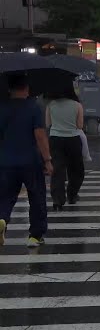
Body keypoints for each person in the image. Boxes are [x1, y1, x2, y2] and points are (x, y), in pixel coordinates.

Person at [0, 74, 53, 247]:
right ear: (27, 88)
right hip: (30, 161)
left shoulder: (2, 107)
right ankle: (35, 236)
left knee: (5, 197)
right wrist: (47, 160)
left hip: (6, 161)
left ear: (9, 89)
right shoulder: (33, 107)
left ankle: (2, 220)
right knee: (36, 197)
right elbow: (40, 135)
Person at [45, 86, 85, 210]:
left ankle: (57, 200)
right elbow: (80, 125)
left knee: (57, 169)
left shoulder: (51, 105)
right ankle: (72, 195)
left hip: (55, 139)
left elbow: (48, 124)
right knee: (76, 170)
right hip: (73, 139)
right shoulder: (77, 105)